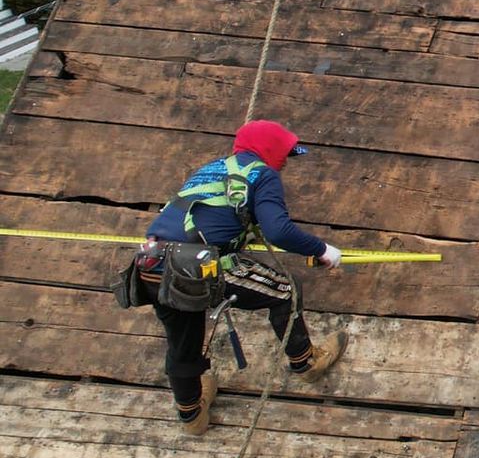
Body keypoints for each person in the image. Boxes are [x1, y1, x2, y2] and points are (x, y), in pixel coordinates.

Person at [124, 120, 344, 435]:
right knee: (286, 290)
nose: (284, 162)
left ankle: (192, 415)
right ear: (269, 150)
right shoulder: (262, 174)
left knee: (183, 336)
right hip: (197, 264)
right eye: (284, 154)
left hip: (152, 262)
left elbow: (210, 217)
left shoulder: (211, 170)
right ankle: (305, 362)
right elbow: (278, 230)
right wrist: (321, 249)